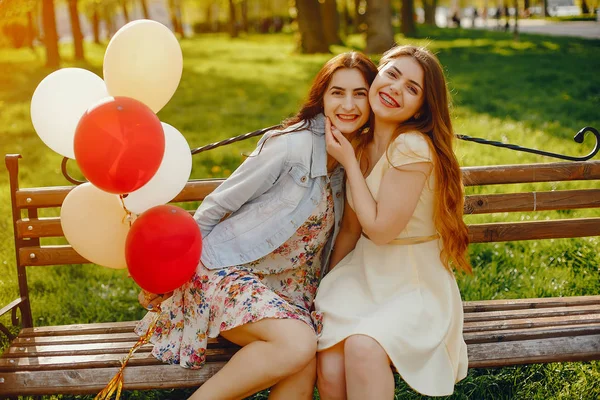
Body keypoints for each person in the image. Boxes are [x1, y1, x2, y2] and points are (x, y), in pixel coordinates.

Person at [136, 51, 378, 400]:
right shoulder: (291, 146)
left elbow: (348, 233)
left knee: (302, 359)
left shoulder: (351, 159)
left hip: (287, 291)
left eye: (359, 93)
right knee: (298, 343)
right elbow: (217, 205)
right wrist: (175, 273)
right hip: (224, 272)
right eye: (337, 92)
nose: (348, 104)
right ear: (322, 97)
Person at [313, 45, 471, 399]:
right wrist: (327, 282)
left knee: (363, 348)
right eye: (392, 74)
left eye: (412, 89)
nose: (396, 89)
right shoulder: (361, 144)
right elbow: (353, 229)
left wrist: (349, 166)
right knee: (331, 362)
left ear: (421, 107)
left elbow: (381, 231)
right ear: (377, 76)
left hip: (412, 282)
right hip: (364, 274)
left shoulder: (412, 146)